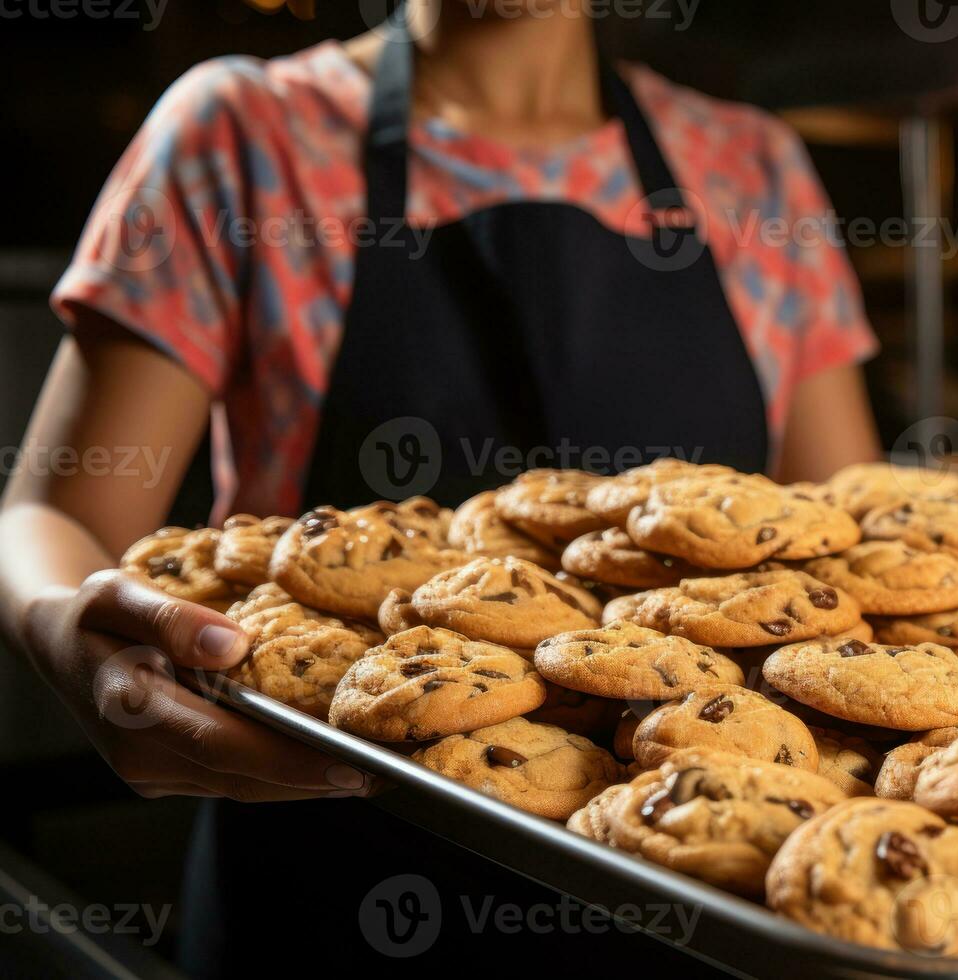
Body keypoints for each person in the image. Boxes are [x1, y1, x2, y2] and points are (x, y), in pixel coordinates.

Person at [0, 0, 880, 971]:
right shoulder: (241, 130)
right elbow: (53, 510)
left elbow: (847, 546)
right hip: (326, 854)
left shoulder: (751, 164)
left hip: (699, 883)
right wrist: (68, 637)